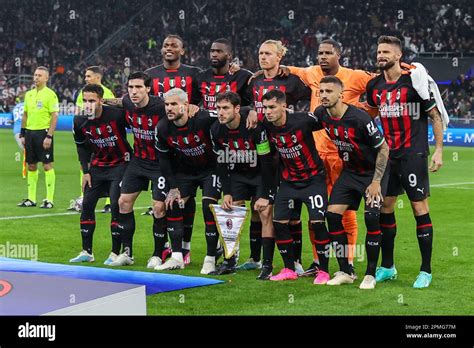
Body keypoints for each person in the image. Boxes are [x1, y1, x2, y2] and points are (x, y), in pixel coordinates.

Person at [279, 39, 376, 277]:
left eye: (327, 53)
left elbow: (379, 83)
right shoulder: (312, 73)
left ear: (338, 55)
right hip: (316, 155)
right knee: (317, 213)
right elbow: (289, 70)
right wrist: (261, 70)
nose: (322, 57)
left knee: (346, 213)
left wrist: (370, 108)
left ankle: (349, 261)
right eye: (320, 53)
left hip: (344, 157)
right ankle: (317, 261)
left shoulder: (354, 76)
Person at [366, 36, 444, 288]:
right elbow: (369, 114)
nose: (381, 55)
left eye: (386, 51)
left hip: (413, 155)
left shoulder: (414, 82)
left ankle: (426, 270)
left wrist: (439, 149)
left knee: (419, 209)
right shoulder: (374, 86)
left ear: (398, 55)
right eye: (379, 51)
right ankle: (388, 266)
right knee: (384, 209)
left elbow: (435, 115)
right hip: (386, 157)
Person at [313, 76, 389, 288]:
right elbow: (300, 124)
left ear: (341, 94)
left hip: (373, 173)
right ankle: (346, 271)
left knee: (372, 219)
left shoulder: (360, 118)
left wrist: (376, 182)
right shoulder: (321, 114)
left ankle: (370, 275)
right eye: (321, 91)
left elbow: (384, 148)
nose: (324, 95)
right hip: (351, 172)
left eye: (329, 91)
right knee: (332, 215)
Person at [261, 89, 330, 282]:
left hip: (313, 180)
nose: (268, 111)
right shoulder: (266, 124)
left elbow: (326, 119)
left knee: (317, 223)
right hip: (289, 182)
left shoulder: (303, 120)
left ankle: (323, 270)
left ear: (284, 106)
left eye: (272, 107)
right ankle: (289, 269)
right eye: (265, 107)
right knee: (279, 223)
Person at [155, 88, 221, 274]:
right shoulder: (162, 128)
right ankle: (177, 257)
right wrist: (174, 187)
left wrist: (250, 112)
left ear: (186, 105)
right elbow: (164, 159)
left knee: (209, 207)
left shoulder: (203, 118)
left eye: (174, 104)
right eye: (167, 104)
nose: (169, 108)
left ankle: (210, 259)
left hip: (211, 169)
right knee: (173, 202)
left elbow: (229, 113)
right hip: (185, 171)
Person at [210, 91, 275, 278]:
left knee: (262, 212)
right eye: (218, 108)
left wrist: (265, 193)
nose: (220, 112)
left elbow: (267, 161)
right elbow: (221, 162)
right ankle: (229, 261)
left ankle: (265, 264)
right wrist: (227, 191)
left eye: (225, 108)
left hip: (261, 173)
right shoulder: (216, 130)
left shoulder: (254, 127)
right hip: (238, 174)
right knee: (230, 209)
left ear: (237, 109)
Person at [109, 72, 170, 268]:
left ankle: (158, 253)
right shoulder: (127, 102)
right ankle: (127, 253)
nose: (134, 92)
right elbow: (119, 102)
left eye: (138, 87)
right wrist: (101, 102)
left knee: (158, 207)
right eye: (131, 87)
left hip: (160, 162)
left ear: (148, 89)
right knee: (123, 202)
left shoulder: (161, 106)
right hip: (139, 160)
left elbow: (179, 110)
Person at [70, 84, 132, 264]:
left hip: (120, 164)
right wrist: (86, 171)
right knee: (87, 205)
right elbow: (80, 146)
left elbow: (136, 121)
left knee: (115, 205)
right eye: (85, 101)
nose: (87, 105)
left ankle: (115, 253)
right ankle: (87, 252)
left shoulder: (116, 115)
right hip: (97, 166)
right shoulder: (79, 120)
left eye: (92, 101)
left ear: (100, 100)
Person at [71, 66, 116, 213]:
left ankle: (109, 201)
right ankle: (84, 195)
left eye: (88, 76)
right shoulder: (83, 92)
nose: (86, 78)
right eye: (85, 76)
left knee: (108, 164)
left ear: (98, 77)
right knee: (84, 165)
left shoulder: (108, 93)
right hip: (88, 135)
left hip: (104, 137)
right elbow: (79, 112)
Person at [18, 66, 59, 209]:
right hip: (30, 133)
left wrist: (49, 136)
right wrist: (22, 133)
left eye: (39, 75)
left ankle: (49, 199)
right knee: (31, 165)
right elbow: (25, 115)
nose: (36, 77)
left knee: (47, 165)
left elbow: (54, 116)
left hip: (43, 133)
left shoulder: (50, 94)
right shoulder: (28, 94)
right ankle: (31, 198)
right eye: (35, 75)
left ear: (46, 78)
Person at [12, 94, 26, 178]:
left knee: (25, 149)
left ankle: (31, 167)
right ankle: (33, 167)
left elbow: (12, 119)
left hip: (17, 131)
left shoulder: (15, 107)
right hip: (26, 128)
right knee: (29, 149)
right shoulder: (28, 105)